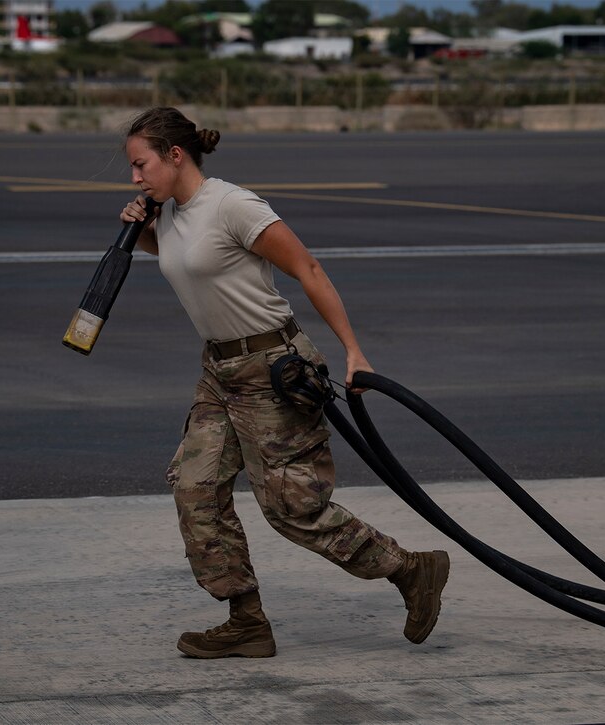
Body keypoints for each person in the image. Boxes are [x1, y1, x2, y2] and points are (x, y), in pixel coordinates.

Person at [120, 106, 449, 659]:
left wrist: (353, 351)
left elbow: (309, 269)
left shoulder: (232, 205)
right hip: (218, 372)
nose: (134, 177)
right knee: (194, 487)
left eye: (140, 164)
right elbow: (193, 263)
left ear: (175, 156)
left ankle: (409, 569)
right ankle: (246, 620)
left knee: (292, 508)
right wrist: (146, 232)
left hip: (273, 368)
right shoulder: (169, 212)